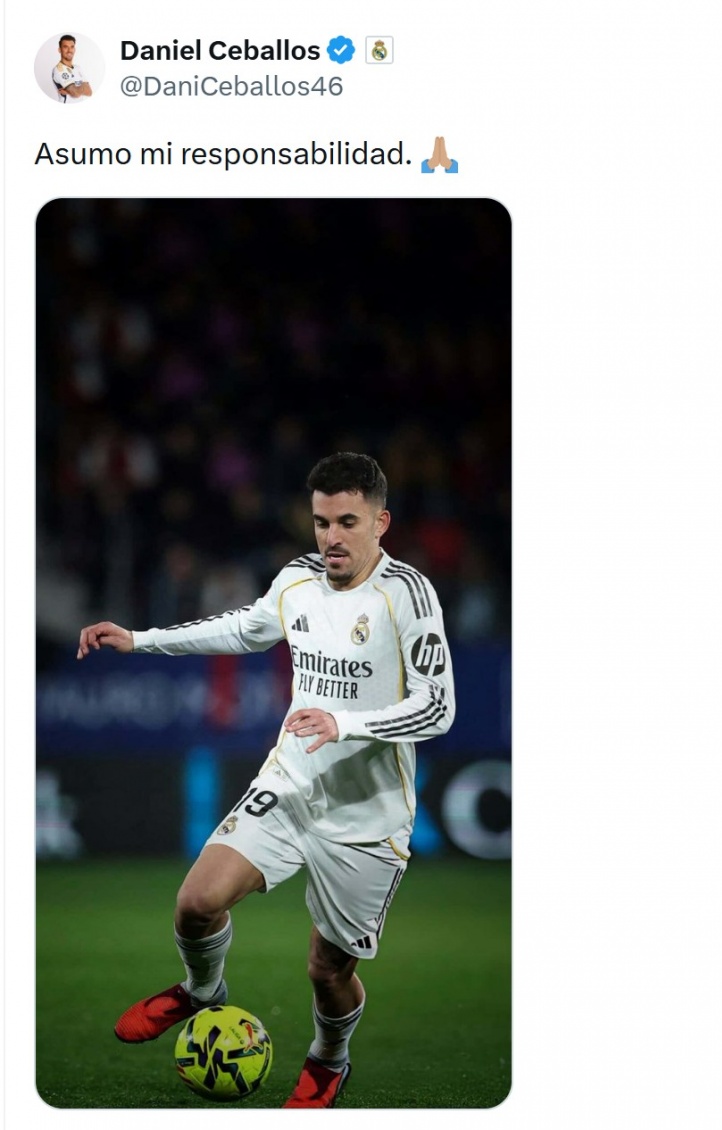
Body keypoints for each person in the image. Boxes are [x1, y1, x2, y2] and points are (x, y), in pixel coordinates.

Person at [77, 451, 455, 1108]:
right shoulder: (298, 579)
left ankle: (329, 1059)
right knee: (196, 902)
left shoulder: (407, 595)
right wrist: (141, 639)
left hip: (366, 818)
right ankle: (202, 990)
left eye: (347, 522)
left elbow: (438, 707)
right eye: (321, 522)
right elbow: (245, 629)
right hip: (290, 785)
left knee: (327, 971)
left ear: (380, 523)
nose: (332, 537)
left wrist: (344, 723)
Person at [52, 35, 92, 103]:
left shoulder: (77, 68)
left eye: (72, 47)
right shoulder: (59, 70)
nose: (69, 50)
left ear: (74, 49)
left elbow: (89, 92)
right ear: (59, 50)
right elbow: (75, 93)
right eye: (65, 47)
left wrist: (69, 92)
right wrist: (82, 87)